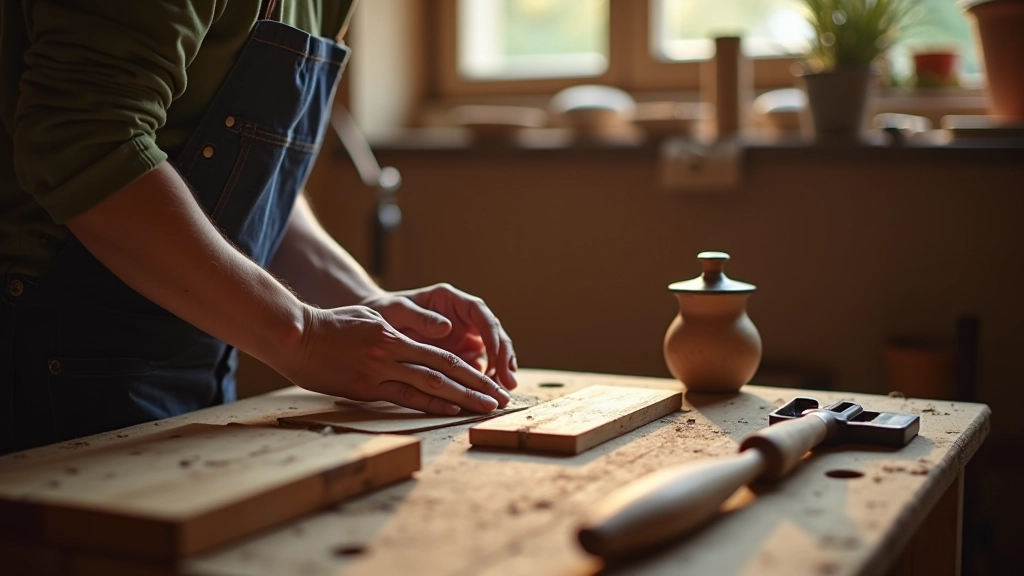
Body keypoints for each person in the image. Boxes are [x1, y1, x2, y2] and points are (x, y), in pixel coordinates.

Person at [0, 0, 517, 455]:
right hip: (44, 361)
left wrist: (362, 304)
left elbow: (248, 181)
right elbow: (86, 143)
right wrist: (303, 335)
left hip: (191, 368)